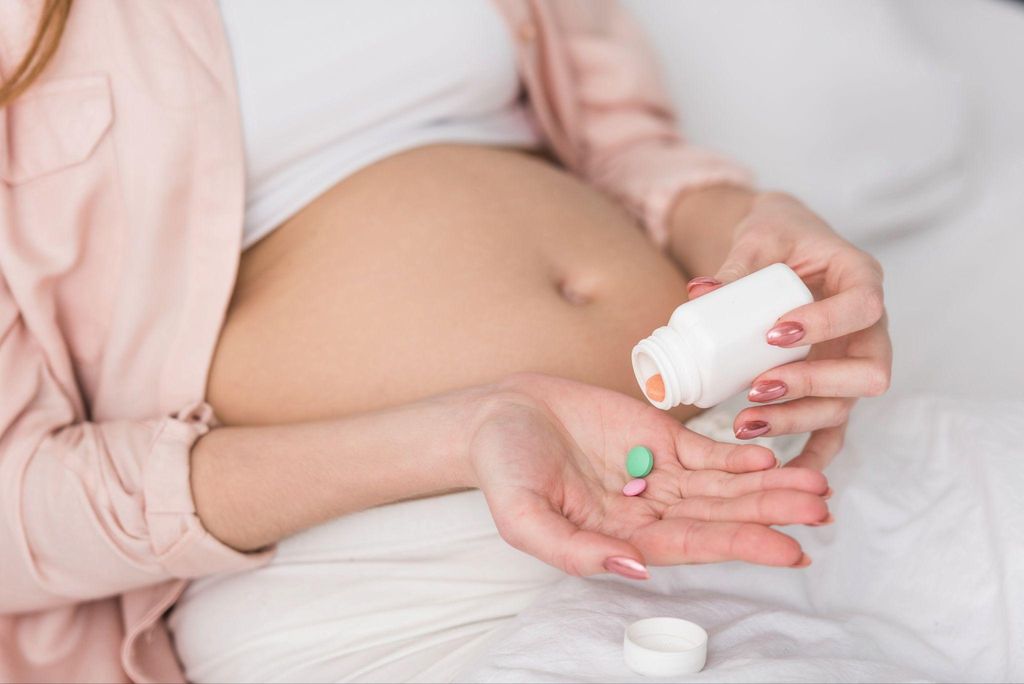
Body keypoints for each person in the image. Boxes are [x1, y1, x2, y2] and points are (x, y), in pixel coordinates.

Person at [0, 1, 891, 681]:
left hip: (739, 463)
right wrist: (461, 431)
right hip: (382, 559)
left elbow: (626, 147)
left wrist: (755, 234)